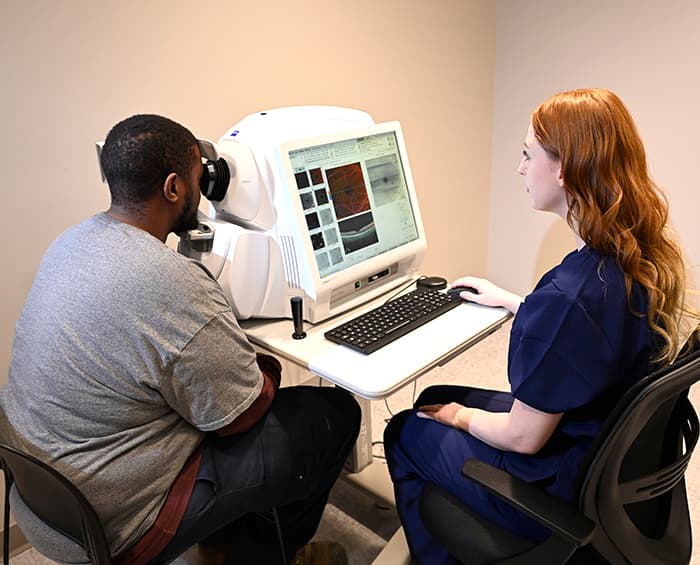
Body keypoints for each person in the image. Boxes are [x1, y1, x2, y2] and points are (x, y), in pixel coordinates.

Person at [0, 114, 360, 565]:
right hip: (116, 520)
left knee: (194, 400)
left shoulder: (71, 241)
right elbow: (239, 413)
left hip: (42, 493)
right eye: (197, 177)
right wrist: (261, 364)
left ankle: (222, 536)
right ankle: (263, 554)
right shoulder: (171, 281)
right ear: (173, 188)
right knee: (331, 415)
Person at [383, 88, 697, 564]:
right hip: (601, 447)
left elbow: (521, 437)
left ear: (563, 169)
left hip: (557, 482)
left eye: (528, 155)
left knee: (408, 427)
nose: (520, 168)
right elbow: (589, 328)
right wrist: (517, 303)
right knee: (437, 395)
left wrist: (457, 417)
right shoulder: (638, 253)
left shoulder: (568, 298)